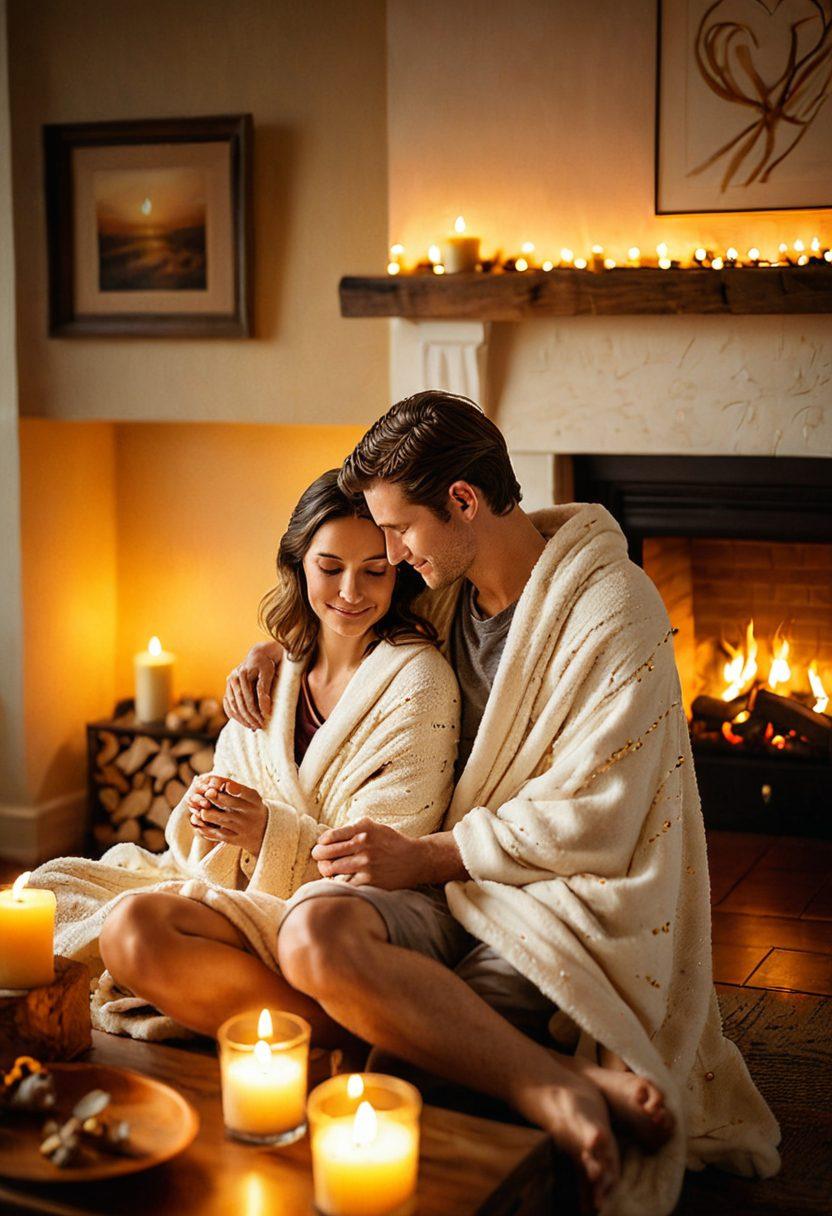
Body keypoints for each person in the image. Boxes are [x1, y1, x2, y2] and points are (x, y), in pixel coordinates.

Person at [217, 393, 781, 1214]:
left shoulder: (611, 607)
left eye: (399, 531)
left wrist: (428, 855)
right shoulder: (441, 588)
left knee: (399, 1087)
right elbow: (348, 622)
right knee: (313, 931)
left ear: (463, 501)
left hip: (561, 898)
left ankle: (550, 1089)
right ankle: (565, 1084)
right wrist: (277, 649)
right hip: (445, 885)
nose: (391, 553)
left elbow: (602, 810)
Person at [31, 469, 459, 1043]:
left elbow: (385, 853)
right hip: (243, 898)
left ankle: (349, 1026)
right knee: (44, 891)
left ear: (398, 574)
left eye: (374, 572)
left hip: (334, 921)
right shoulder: (273, 673)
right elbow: (206, 819)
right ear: (299, 564)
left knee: (132, 931)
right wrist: (211, 810)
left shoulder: (419, 683)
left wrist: (265, 832)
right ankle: (309, 1013)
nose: (351, 592)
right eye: (330, 568)